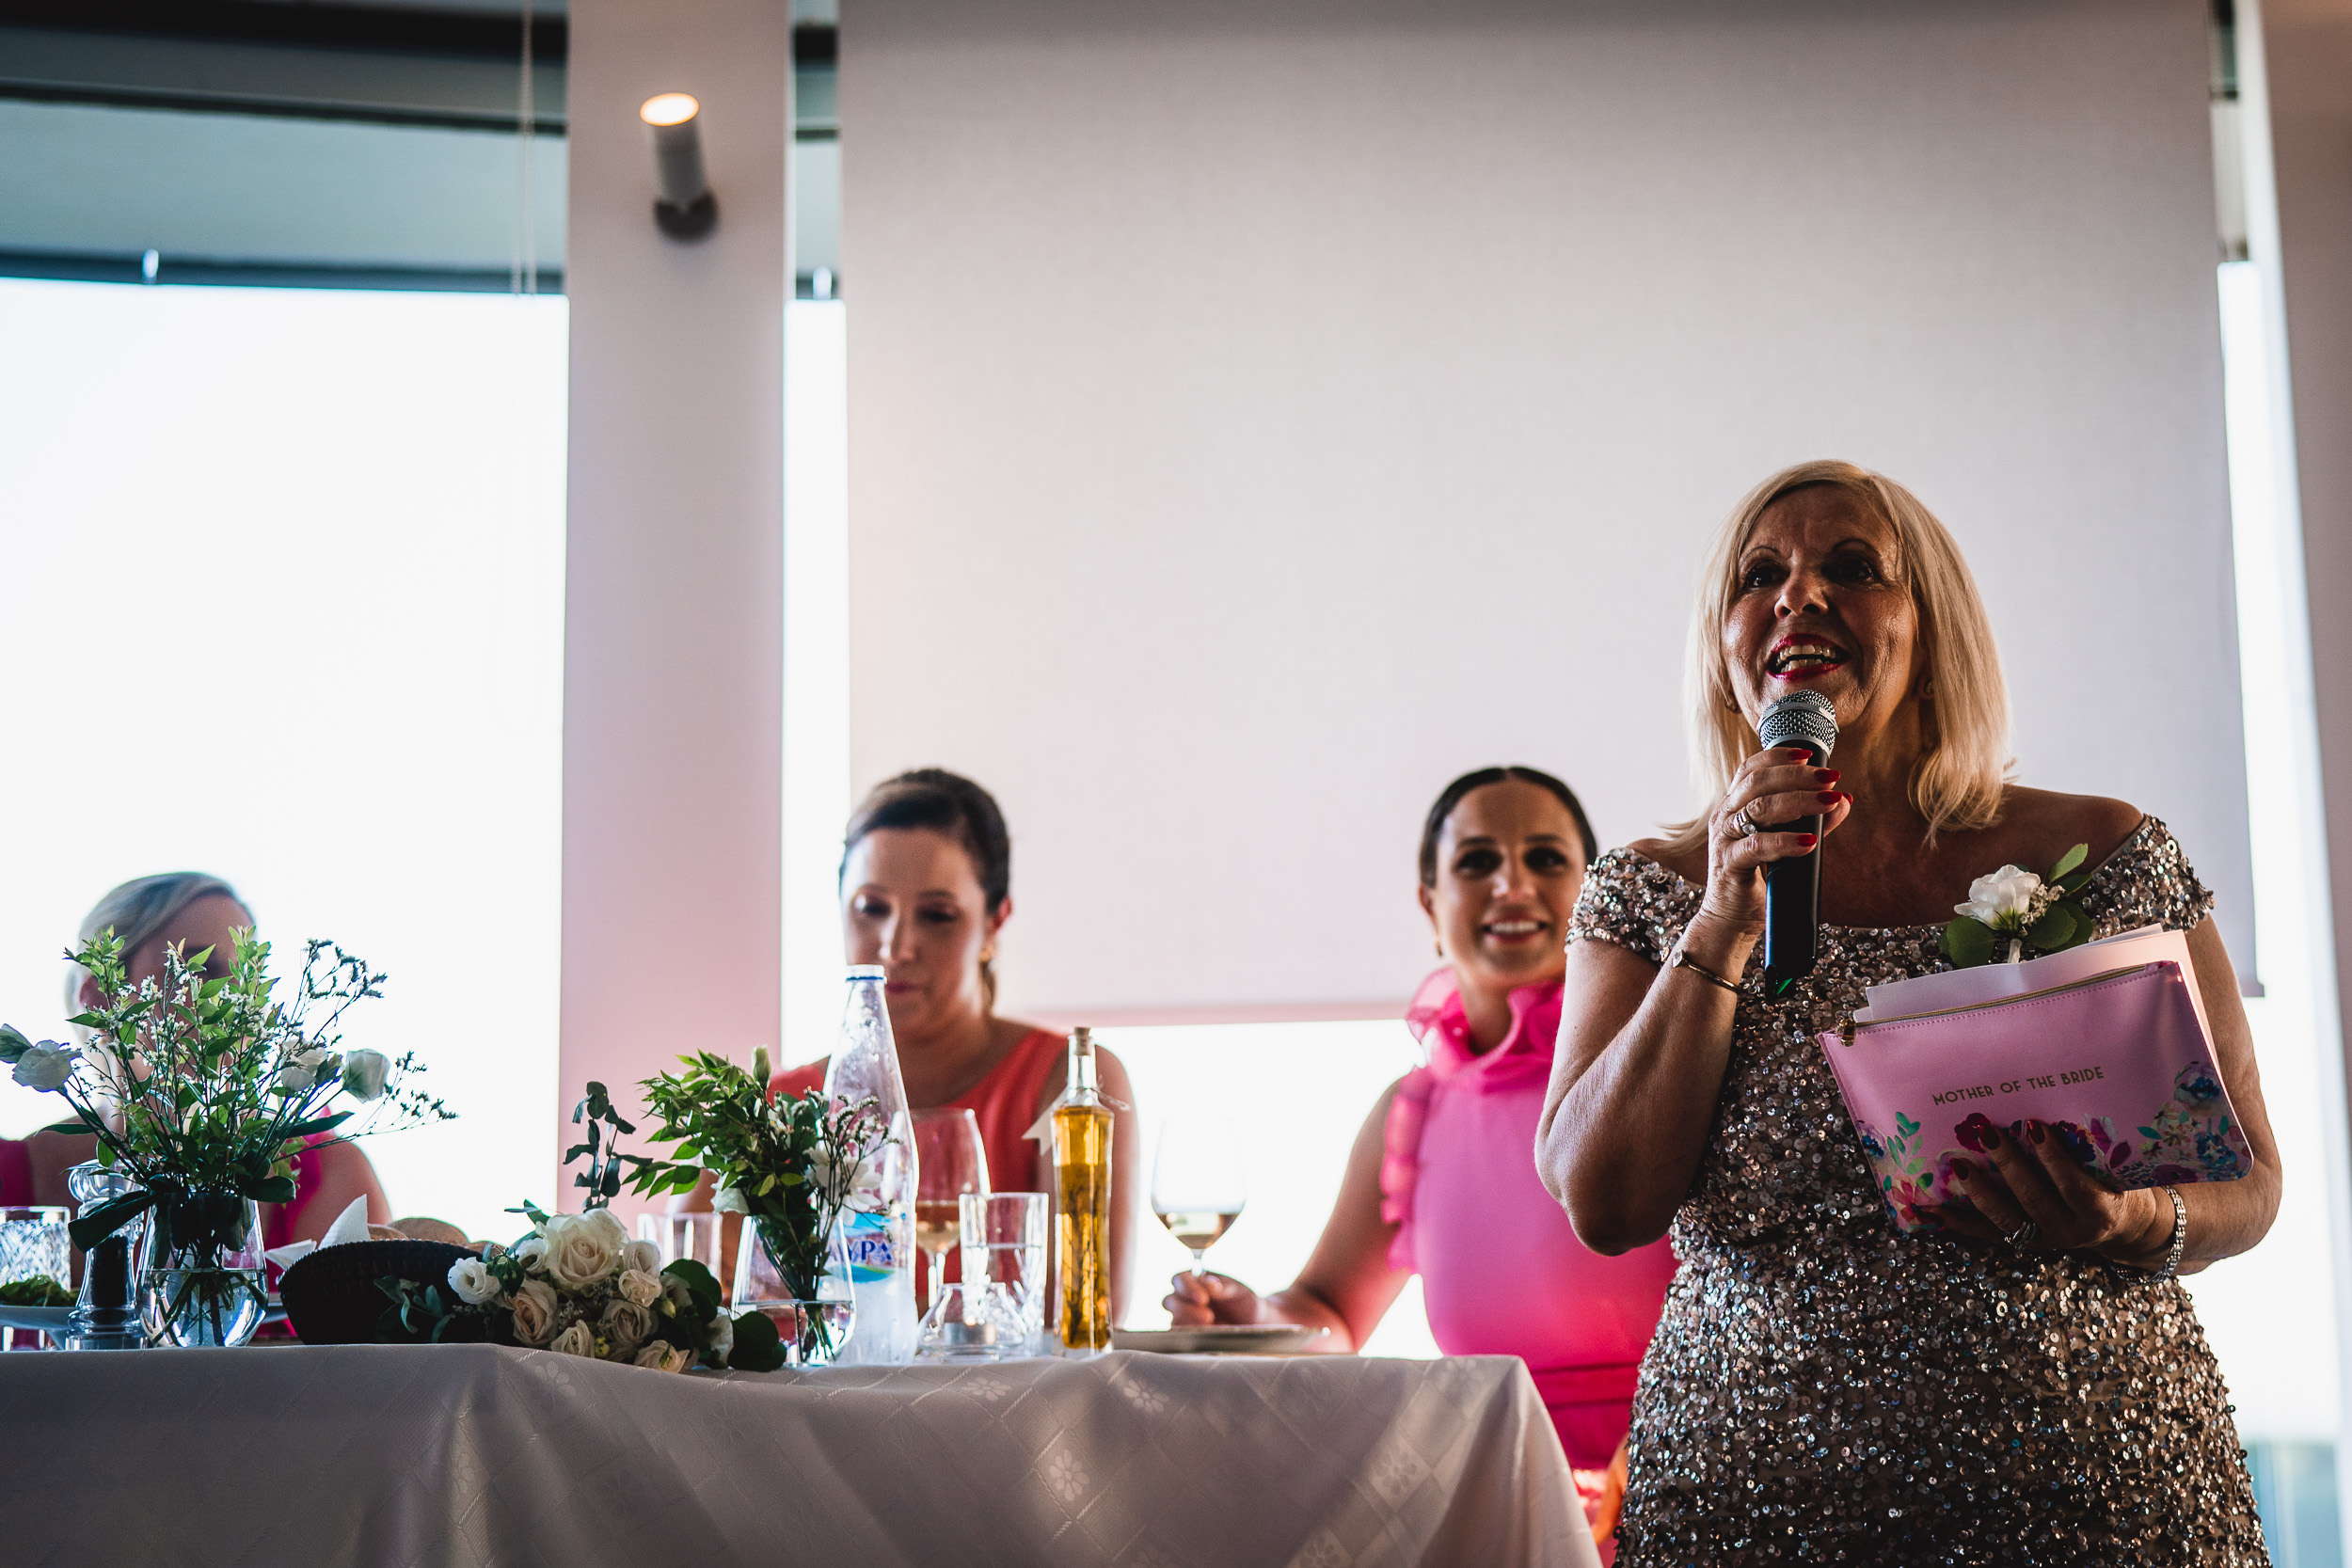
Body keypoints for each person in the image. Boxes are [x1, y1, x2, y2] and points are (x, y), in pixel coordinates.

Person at [1537, 460, 2279, 1561]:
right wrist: (1722, 915)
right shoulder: (1651, 888)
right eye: (1759, 575)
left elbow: (2247, 1182)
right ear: (1722, 642)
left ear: (1930, 625)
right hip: (1759, 1499)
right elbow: (1604, 1203)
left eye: (1850, 566)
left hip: (2094, 1492)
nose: (1798, 595)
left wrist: (2125, 1223)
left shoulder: (2103, 853)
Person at [1167, 767, 1677, 1552]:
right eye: (1476, 862)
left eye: (1546, 859)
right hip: (1496, 1499)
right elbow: (1330, 1313)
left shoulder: (1660, 1066)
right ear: (1429, 903)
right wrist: (1257, 1321)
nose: (1512, 884)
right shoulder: (1414, 1107)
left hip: (1680, 1487)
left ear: (1594, 894)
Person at [685, 770, 1141, 1318]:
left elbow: (1086, 1313)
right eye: (871, 908)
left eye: (937, 915)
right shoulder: (775, 1104)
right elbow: (694, 1294)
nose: (895, 946)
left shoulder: (1068, 1083)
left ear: (995, 922)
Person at [0, 874, 391, 1249]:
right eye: (200, 970)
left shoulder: (332, 1176)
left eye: (248, 975)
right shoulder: (12, 1172)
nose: (235, 1001)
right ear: (103, 998)